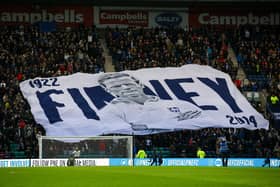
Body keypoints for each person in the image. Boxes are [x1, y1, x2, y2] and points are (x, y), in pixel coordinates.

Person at [98, 72, 202, 133]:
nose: (125, 88)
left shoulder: (182, 104)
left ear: (139, 83)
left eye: (128, 83)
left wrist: (147, 126)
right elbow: (127, 130)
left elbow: (198, 120)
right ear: (109, 91)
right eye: (116, 87)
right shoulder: (110, 111)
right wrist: (176, 121)